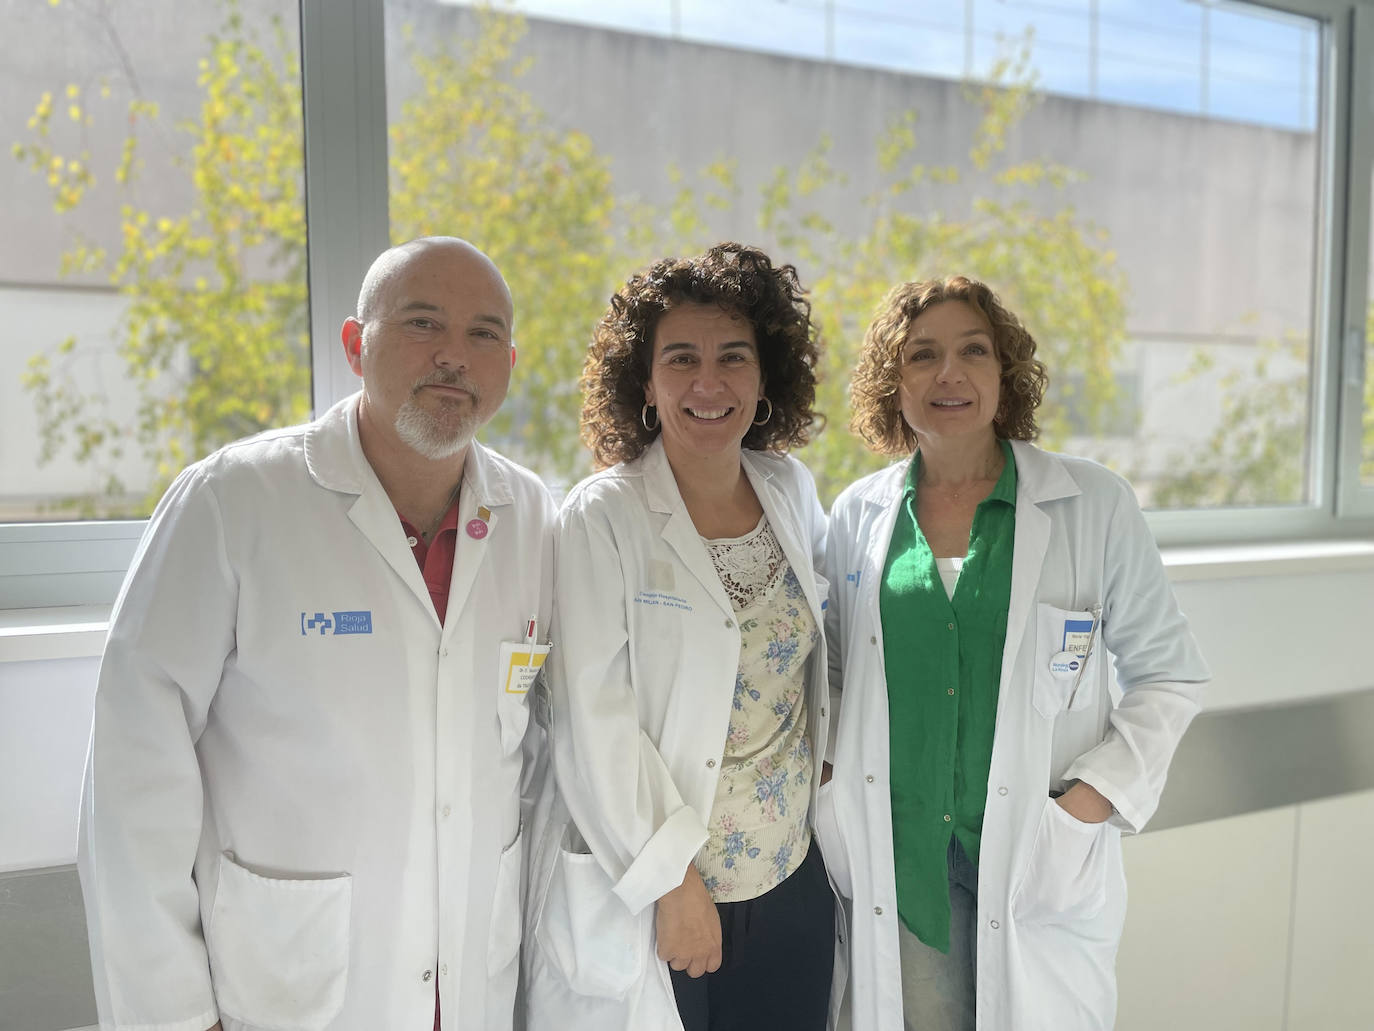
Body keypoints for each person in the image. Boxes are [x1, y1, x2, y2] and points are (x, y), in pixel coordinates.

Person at [77, 237, 556, 1031]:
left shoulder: (531, 515)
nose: (453, 356)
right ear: (353, 345)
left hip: (474, 986)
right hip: (285, 992)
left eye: (482, 335)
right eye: (422, 323)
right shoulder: (233, 502)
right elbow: (132, 778)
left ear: (509, 361)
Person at [820, 276, 1210, 1031]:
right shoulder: (857, 515)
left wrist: (1089, 804)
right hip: (900, 865)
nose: (949, 374)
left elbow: (1169, 671)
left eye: (973, 351)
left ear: (1006, 372)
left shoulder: (1092, 503)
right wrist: (835, 784)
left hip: (1038, 856)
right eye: (921, 356)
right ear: (891, 384)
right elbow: (834, 673)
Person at [524, 243, 840, 1031]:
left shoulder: (790, 489)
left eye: (734, 356)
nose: (709, 382)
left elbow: (816, 654)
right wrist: (671, 883)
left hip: (792, 876)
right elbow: (592, 718)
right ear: (645, 381)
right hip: (669, 897)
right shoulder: (603, 517)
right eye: (682, 358)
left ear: (766, 377)